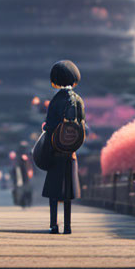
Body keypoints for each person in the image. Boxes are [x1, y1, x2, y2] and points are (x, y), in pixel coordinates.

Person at [41, 60, 86, 234]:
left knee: (54, 191)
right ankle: (68, 226)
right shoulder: (79, 100)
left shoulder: (56, 100)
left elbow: (50, 126)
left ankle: (54, 224)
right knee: (67, 192)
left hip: (55, 150)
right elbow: (82, 125)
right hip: (71, 152)